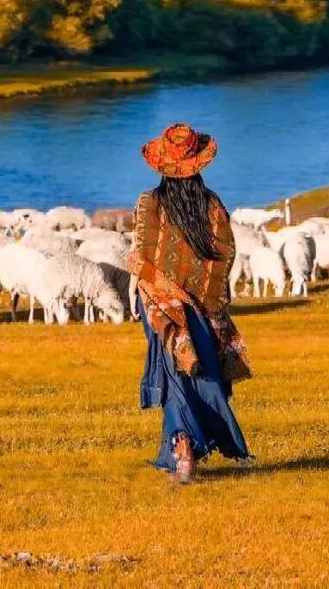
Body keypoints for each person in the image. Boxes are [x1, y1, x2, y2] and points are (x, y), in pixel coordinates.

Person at [127, 122, 252, 484]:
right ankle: (184, 446)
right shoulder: (213, 206)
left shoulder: (149, 202)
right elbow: (223, 256)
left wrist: (136, 287)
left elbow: (143, 253)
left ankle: (182, 450)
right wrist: (210, 300)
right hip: (199, 306)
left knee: (174, 372)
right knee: (195, 373)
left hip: (158, 305)